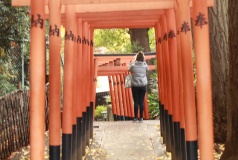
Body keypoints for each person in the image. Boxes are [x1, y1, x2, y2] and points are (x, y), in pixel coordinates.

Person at [128, 51, 149, 123]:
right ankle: (141, 118)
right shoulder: (145, 65)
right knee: (141, 101)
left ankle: (136, 117)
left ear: (136, 58)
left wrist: (132, 61)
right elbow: (147, 69)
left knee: (136, 101)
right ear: (143, 58)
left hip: (135, 85)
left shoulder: (133, 66)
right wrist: (144, 62)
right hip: (143, 85)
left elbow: (129, 69)